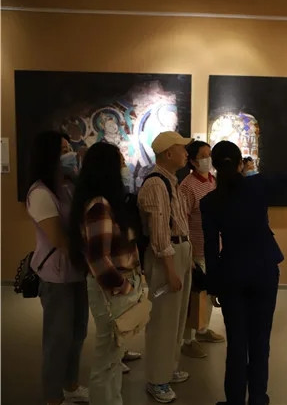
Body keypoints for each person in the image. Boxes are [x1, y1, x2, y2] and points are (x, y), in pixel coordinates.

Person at [201, 140, 287, 405]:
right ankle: (258, 398)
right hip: (264, 271)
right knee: (260, 340)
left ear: (214, 167)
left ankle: (234, 400)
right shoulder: (257, 185)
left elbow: (210, 247)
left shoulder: (209, 202)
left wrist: (214, 286)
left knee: (236, 344)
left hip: (232, 275)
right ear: (241, 164)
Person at [68, 142, 143, 405]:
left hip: (117, 286)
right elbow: (98, 258)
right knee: (106, 358)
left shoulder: (108, 203)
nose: (125, 167)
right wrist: (124, 286)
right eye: (120, 162)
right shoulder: (99, 206)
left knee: (113, 356)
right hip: (111, 289)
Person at [26, 131, 89, 405]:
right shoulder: (40, 193)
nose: (69, 154)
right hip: (56, 276)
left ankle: (71, 385)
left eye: (69, 148)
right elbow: (59, 238)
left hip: (77, 273)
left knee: (78, 333)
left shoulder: (68, 185)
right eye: (63, 150)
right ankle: (53, 397)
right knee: (58, 339)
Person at [137, 131, 193, 403]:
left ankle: (169, 368)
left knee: (177, 317)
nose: (186, 153)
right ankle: (156, 379)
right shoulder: (156, 184)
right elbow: (160, 234)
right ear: (168, 153)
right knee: (162, 319)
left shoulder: (171, 181)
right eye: (182, 148)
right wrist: (171, 270)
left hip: (180, 250)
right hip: (167, 256)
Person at [179, 140, 225, 359]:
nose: (208, 159)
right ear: (193, 161)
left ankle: (203, 330)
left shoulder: (213, 180)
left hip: (213, 247)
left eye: (210, 154)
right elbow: (181, 220)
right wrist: (187, 252)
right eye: (203, 156)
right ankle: (187, 341)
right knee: (194, 295)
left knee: (208, 291)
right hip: (196, 249)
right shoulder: (187, 187)